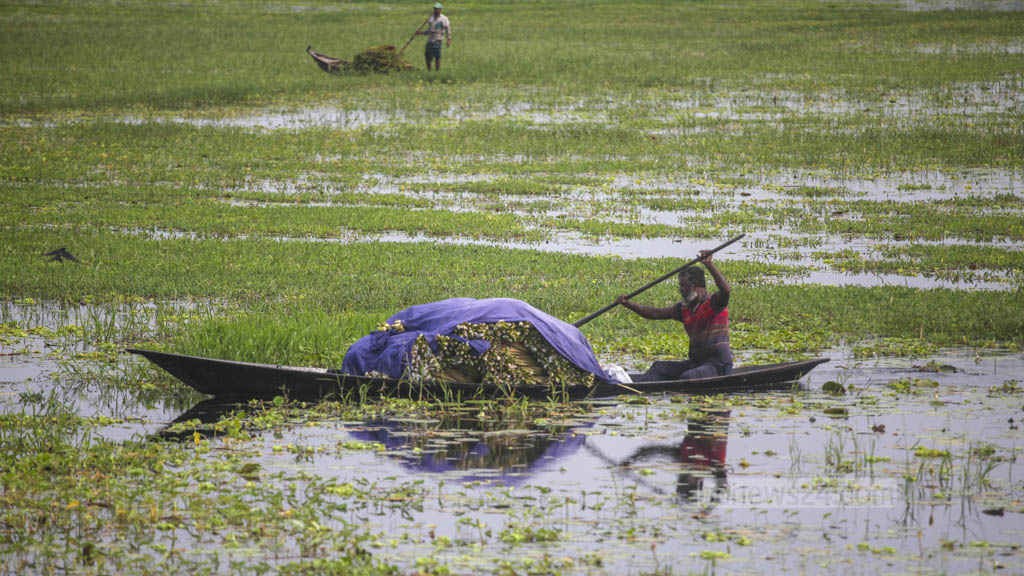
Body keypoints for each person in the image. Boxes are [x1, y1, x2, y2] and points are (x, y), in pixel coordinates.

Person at [616, 250, 733, 380]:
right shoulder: (684, 308)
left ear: (695, 285)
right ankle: (636, 388)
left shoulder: (714, 302)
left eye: (683, 285)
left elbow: (726, 290)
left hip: (717, 365)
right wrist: (629, 304)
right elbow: (655, 313)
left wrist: (709, 265)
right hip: (696, 363)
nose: (680, 289)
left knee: (688, 377)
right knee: (658, 367)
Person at [416, 2, 451, 71]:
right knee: (427, 56)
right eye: (434, 9)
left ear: (440, 9)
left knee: (437, 57)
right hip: (430, 39)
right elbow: (429, 30)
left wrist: (449, 39)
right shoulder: (431, 18)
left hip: (438, 39)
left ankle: (437, 71)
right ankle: (429, 70)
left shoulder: (443, 18)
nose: (435, 10)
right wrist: (420, 33)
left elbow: (448, 29)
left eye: (437, 9)